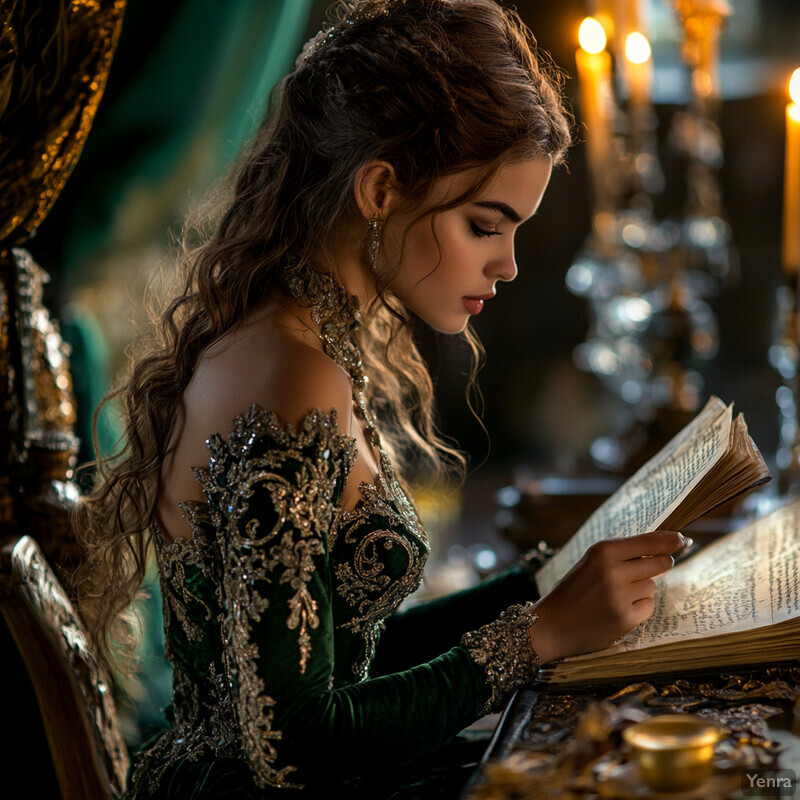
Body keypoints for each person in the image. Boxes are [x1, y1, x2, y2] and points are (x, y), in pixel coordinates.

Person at [74, 1, 686, 797]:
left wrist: (540, 587)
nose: (506, 265)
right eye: (482, 224)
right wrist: (536, 635)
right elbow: (289, 743)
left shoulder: (306, 337)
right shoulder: (290, 375)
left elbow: (349, 652)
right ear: (381, 189)